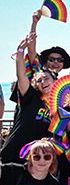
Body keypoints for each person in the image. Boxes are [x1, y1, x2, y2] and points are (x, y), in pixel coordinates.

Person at [1, 36, 55, 165]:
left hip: (35, 160)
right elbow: (21, 76)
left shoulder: (57, 107)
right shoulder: (30, 97)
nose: (43, 82)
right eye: (39, 81)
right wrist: (20, 52)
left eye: (46, 78)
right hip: (13, 154)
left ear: (55, 81)